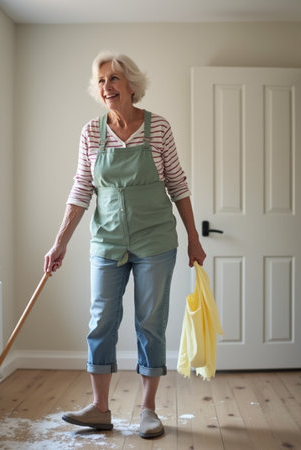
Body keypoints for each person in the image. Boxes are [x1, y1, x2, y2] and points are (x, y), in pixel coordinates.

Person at [44, 50, 206, 439]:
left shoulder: (159, 128)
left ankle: (148, 410)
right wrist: (59, 243)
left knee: (150, 323)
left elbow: (178, 184)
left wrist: (193, 238)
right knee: (101, 321)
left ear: (132, 85)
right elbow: (82, 188)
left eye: (113, 79)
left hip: (155, 241)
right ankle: (100, 408)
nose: (106, 87)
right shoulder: (91, 132)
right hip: (107, 240)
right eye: (101, 81)